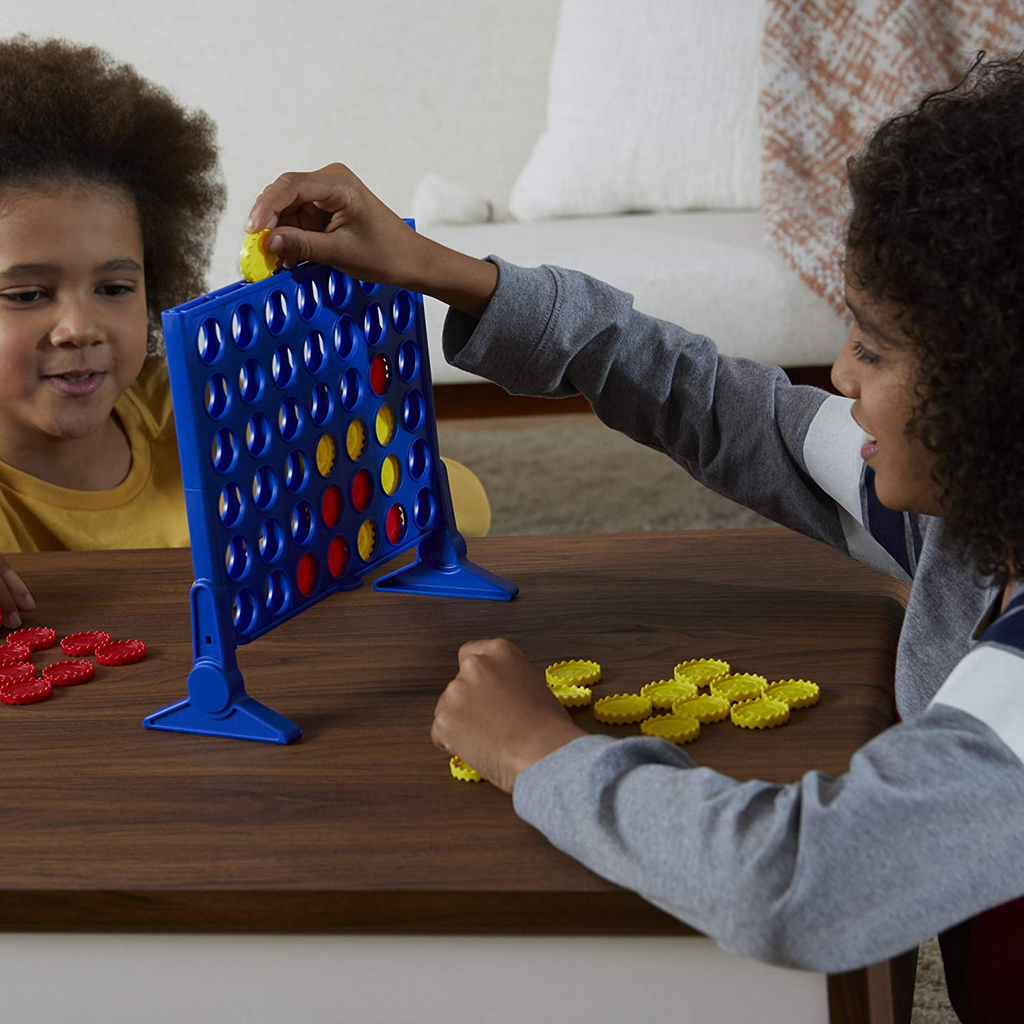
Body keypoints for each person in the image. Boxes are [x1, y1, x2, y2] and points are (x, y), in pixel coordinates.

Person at [245, 53, 1024, 1022]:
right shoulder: (977, 519)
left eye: (874, 343)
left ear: (992, 384)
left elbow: (804, 881)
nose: (839, 372)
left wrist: (539, 753)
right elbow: (726, 409)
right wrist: (445, 272)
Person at [0, 36, 490, 631]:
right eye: (26, 295)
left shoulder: (199, 404)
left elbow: (462, 500)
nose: (80, 329)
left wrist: (329, 464)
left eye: (115, 287)